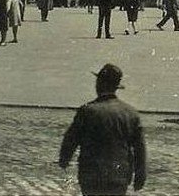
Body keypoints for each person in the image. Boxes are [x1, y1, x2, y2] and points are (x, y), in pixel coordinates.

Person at [58, 64, 147, 196]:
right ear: (116, 87)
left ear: (99, 83)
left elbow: (70, 140)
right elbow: (140, 149)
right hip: (119, 178)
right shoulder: (131, 113)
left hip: (91, 177)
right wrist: (140, 176)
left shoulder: (87, 111)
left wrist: (64, 160)